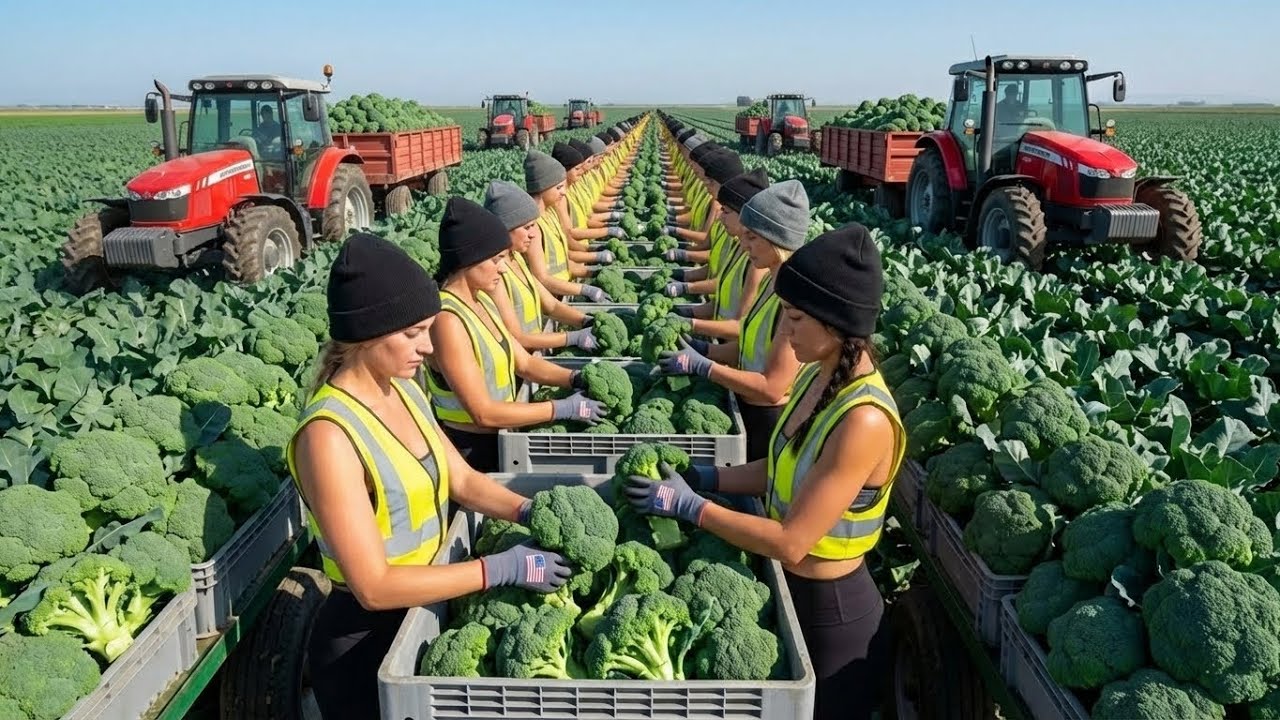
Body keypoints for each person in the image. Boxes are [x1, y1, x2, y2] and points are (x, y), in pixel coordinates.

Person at [288, 232, 573, 720]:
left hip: (430, 609)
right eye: (413, 333)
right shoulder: (328, 437)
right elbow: (373, 586)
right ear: (367, 333)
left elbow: (462, 481)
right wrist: (499, 569)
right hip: (365, 645)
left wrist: (534, 512)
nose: (428, 345)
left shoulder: (404, 391)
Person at [624, 224, 900, 720]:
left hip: (832, 615)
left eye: (794, 317)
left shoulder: (865, 419)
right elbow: (778, 471)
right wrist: (705, 478)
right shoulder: (820, 376)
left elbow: (793, 541)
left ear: (835, 323)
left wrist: (692, 508)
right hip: (787, 591)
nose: (785, 329)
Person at [424, 197, 605, 471]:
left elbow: (524, 363)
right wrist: (560, 409)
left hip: (505, 432)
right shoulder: (446, 320)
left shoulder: (481, 300)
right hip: (471, 450)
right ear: (469, 259)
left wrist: (578, 379)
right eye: (496, 259)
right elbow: (482, 412)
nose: (504, 267)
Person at [657, 179, 810, 462]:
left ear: (776, 239)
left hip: (769, 418)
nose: (743, 243)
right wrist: (703, 350)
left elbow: (772, 388)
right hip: (744, 398)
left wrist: (705, 366)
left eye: (752, 237)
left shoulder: (794, 302)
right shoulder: (771, 282)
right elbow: (749, 346)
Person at [482, 179, 599, 354]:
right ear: (505, 228)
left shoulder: (517, 259)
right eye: (527, 227)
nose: (533, 235)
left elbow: (550, 305)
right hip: (522, 367)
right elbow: (517, 337)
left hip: (536, 351)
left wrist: (586, 321)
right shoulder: (495, 273)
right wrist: (572, 338)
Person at [671, 169, 771, 342]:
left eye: (725, 211)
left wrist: (691, 323)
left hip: (726, 347)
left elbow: (740, 326)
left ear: (743, 214)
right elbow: (723, 300)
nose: (720, 216)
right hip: (718, 339)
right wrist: (686, 309)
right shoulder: (739, 247)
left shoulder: (758, 265)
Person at [520, 149, 610, 300]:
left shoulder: (551, 214)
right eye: (558, 187)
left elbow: (562, 260)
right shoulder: (532, 228)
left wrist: (593, 270)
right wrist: (584, 288)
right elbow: (542, 278)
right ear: (544, 187)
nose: (563, 192)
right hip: (554, 299)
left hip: (565, 291)